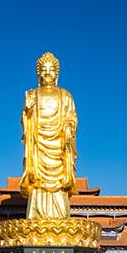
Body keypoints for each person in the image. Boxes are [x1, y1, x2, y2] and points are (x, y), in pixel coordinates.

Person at [19, 52, 78, 219]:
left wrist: (68, 128)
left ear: (57, 74)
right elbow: (25, 122)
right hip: (39, 147)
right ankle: (36, 215)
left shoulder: (65, 95)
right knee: (37, 183)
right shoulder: (32, 94)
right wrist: (27, 112)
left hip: (58, 148)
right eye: (43, 70)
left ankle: (60, 216)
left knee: (59, 186)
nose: (47, 73)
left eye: (51, 69)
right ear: (38, 73)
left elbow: (72, 118)